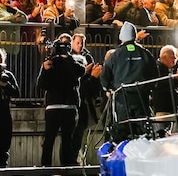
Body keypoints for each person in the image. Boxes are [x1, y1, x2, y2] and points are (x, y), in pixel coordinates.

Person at [100, 22, 157, 142]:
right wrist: (148, 88)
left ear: (122, 37)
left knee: (122, 130)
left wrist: (108, 88)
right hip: (141, 98)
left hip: (122, 99)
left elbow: (105, 75)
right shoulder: (145, 54)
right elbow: (154, 75)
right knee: (143, 131)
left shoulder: (115, 55)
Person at [37, 35, 86, 167]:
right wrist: (46, 70)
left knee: (67, 141)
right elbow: (42, 84)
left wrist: (67, 59)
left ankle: (67, 169)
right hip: (53, 106)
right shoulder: (50, 63)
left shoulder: (73, 62)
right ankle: (45, 169)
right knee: (49, 140)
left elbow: (81, 71)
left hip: (69, 106)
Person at [71, 33, 103, 164]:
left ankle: (80, 161)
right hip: (76, 106)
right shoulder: (71, 64)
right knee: (76, 136)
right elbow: (81, 88)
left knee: (83, 136)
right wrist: (91, 77)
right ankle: (75, 161)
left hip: (84, 105)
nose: (80, 46)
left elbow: (91, 88)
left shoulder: (88, 57)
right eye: (78, 42)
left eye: (82, 43)